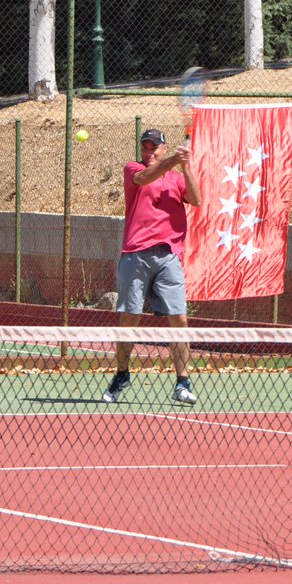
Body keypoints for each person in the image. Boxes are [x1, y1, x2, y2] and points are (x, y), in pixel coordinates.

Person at [102, 128, 203, 404]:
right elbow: (145, 177)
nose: (148, 152)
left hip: (169, 256)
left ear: (163, 147)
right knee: (129, 318)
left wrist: (186, 166)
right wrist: (171, 160)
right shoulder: (132, 169)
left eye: (154, 147)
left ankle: (182, 383)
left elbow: (196, 199)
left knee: (179, 319)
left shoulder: (176, 177)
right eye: (145, 147)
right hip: (135, 254)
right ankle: (122, 374)